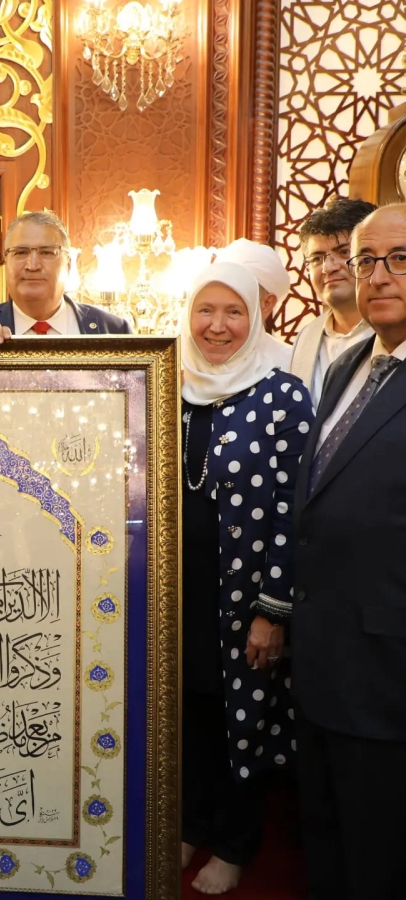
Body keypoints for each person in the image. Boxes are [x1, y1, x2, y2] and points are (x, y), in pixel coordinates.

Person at [179, 261, 313, 894]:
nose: (217, 325)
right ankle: (189, 821)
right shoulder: (166, 382)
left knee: (245, 718)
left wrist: (272, 610)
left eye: (234, 311)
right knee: (186, 710)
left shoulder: (283, 394)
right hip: (174, 592)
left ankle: (235, 841)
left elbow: (295, 509)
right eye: (205, 310)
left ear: (255, 318)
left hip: (245, 595)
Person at [292, 203, 406, 899]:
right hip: (323, 662)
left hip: (390, 676)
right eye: (366, 261)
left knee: (380, 862)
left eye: (400, 259)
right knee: (326, 851)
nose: (378, 276)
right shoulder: (349, 366)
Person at [0, 210, 130, 339]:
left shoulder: (114, 330)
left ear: (68, 265)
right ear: (6, 263)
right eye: (21, 252)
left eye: (46, 252)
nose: (33, 266)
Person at [289, 197, 376, 404]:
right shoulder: (306, 337)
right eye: (317, 259)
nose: (328, 268)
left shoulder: (395, 329)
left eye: (344, 252)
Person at [215, 237, 294, 370]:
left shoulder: (290, 362)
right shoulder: (191, 356)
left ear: (267, 304)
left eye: (234, 311)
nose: (217, 326)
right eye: (208, 309)